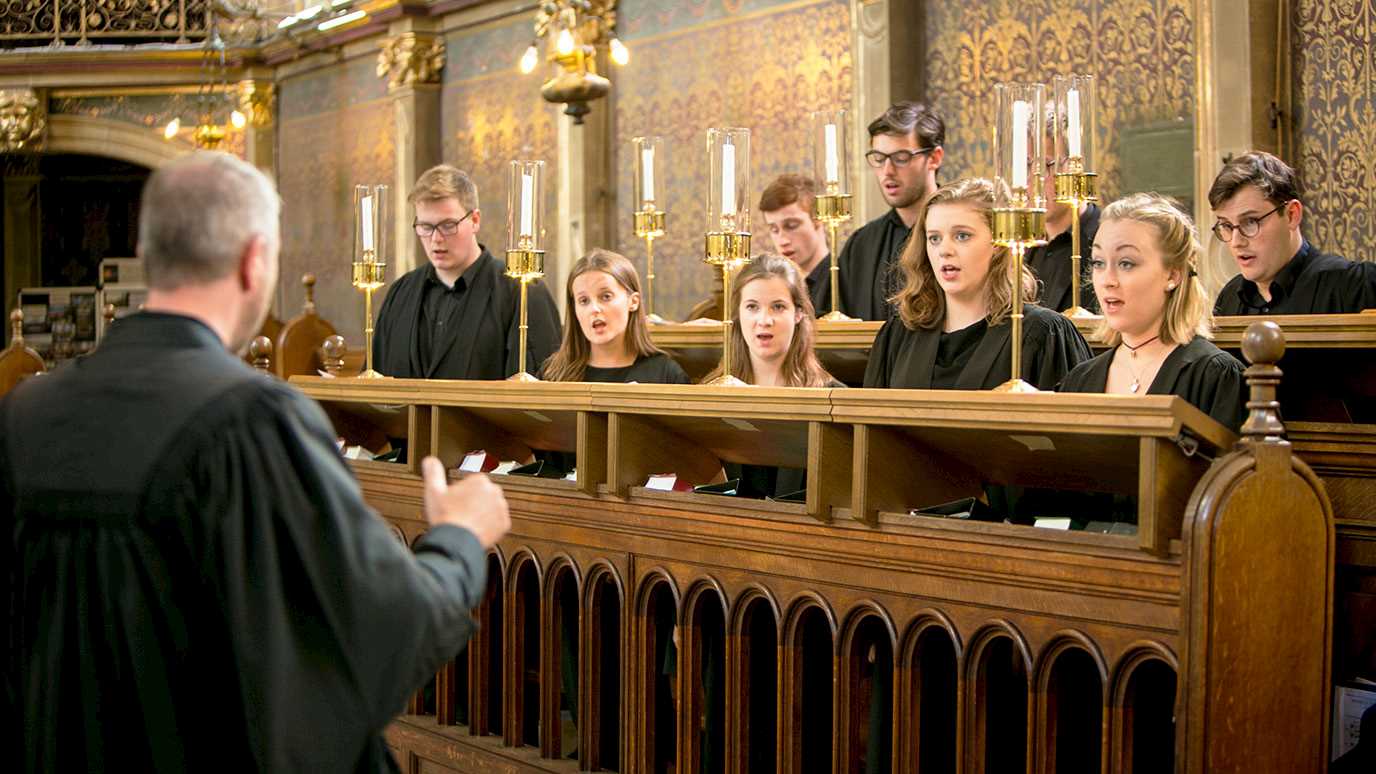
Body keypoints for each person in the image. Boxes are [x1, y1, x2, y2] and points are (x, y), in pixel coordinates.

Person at [0, 151, 512, 772]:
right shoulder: (252, 420)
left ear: (152, 255)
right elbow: (377, 631)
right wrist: (459, 538)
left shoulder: (26, 415)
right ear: (253, 261)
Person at [864, 178, 1092, 390]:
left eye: (962, 236)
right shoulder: (899, 334)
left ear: (998, 243)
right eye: (934, 238)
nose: (944, 250)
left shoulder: (1043, 334)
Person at [1061, 193, 1246, 431]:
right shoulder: (1079, 380)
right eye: (1098, 262)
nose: (1107, 280)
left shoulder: (1217, 377)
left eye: (1126, 263)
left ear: (1173, 275)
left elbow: (1244, 467)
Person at [373, 164, 561, 379]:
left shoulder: (522, 291)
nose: (436, 238)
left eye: (448, 225)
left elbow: (543, 393)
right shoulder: (400, 292)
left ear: (475, 220)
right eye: (425, 227)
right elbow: (374, 383)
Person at [704, 254, 841, 499]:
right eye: (752, 307)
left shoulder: (836, 400)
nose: (764, 321)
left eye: (778, 307)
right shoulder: (708, 395)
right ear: (737, 314)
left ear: (798, 313)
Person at [1210, 151, 1376, 315]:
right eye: (1226, 225)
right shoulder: (1228, 299)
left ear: (1292, 215)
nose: (1236, 242)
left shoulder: (1355, 286)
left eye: (1250, 222)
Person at [836, 101, 946, 320]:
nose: (887, 171)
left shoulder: (962, 234)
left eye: (901, 158)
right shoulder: (862, 244)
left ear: (934, 158)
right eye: (879, 158)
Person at [542, 248, 689, 385]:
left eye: (605, 296)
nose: (594, 308)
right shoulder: (553, 373)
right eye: (584, 301)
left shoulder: (666, 374)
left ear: (633, 301)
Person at [1025, 113, 1101, 313]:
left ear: (1076, 166)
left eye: (1047, 165)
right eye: (1026, 165)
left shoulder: (1105, 240)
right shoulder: (1020, 247)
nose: (1035, 180)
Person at [759, 174, 832, 315]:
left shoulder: (842, 281)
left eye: (791, 226)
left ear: (818, 220)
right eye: (774, 229)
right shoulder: (777, 285)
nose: (782, 240)